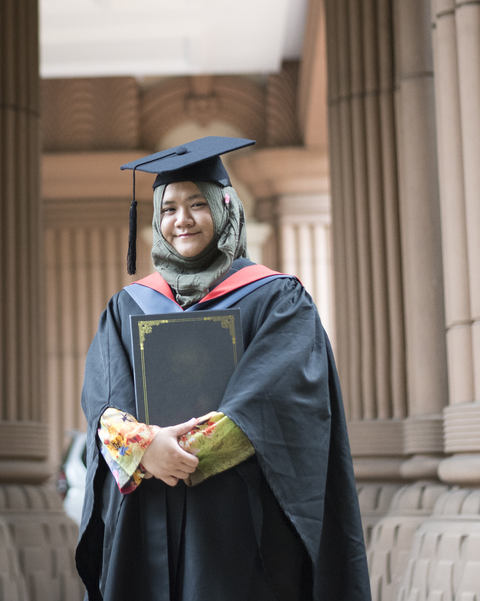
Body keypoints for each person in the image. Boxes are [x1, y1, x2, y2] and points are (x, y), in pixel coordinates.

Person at [74, 136, 370, 601]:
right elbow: (104, 400)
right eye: (168, 208)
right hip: (146, 518)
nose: (182, 220)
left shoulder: (276, 299)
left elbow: (273, 398)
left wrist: (176, 452)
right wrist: (145, 446)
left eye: (197, 204)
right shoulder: (127, 307)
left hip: (236, 525)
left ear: (225, 208)